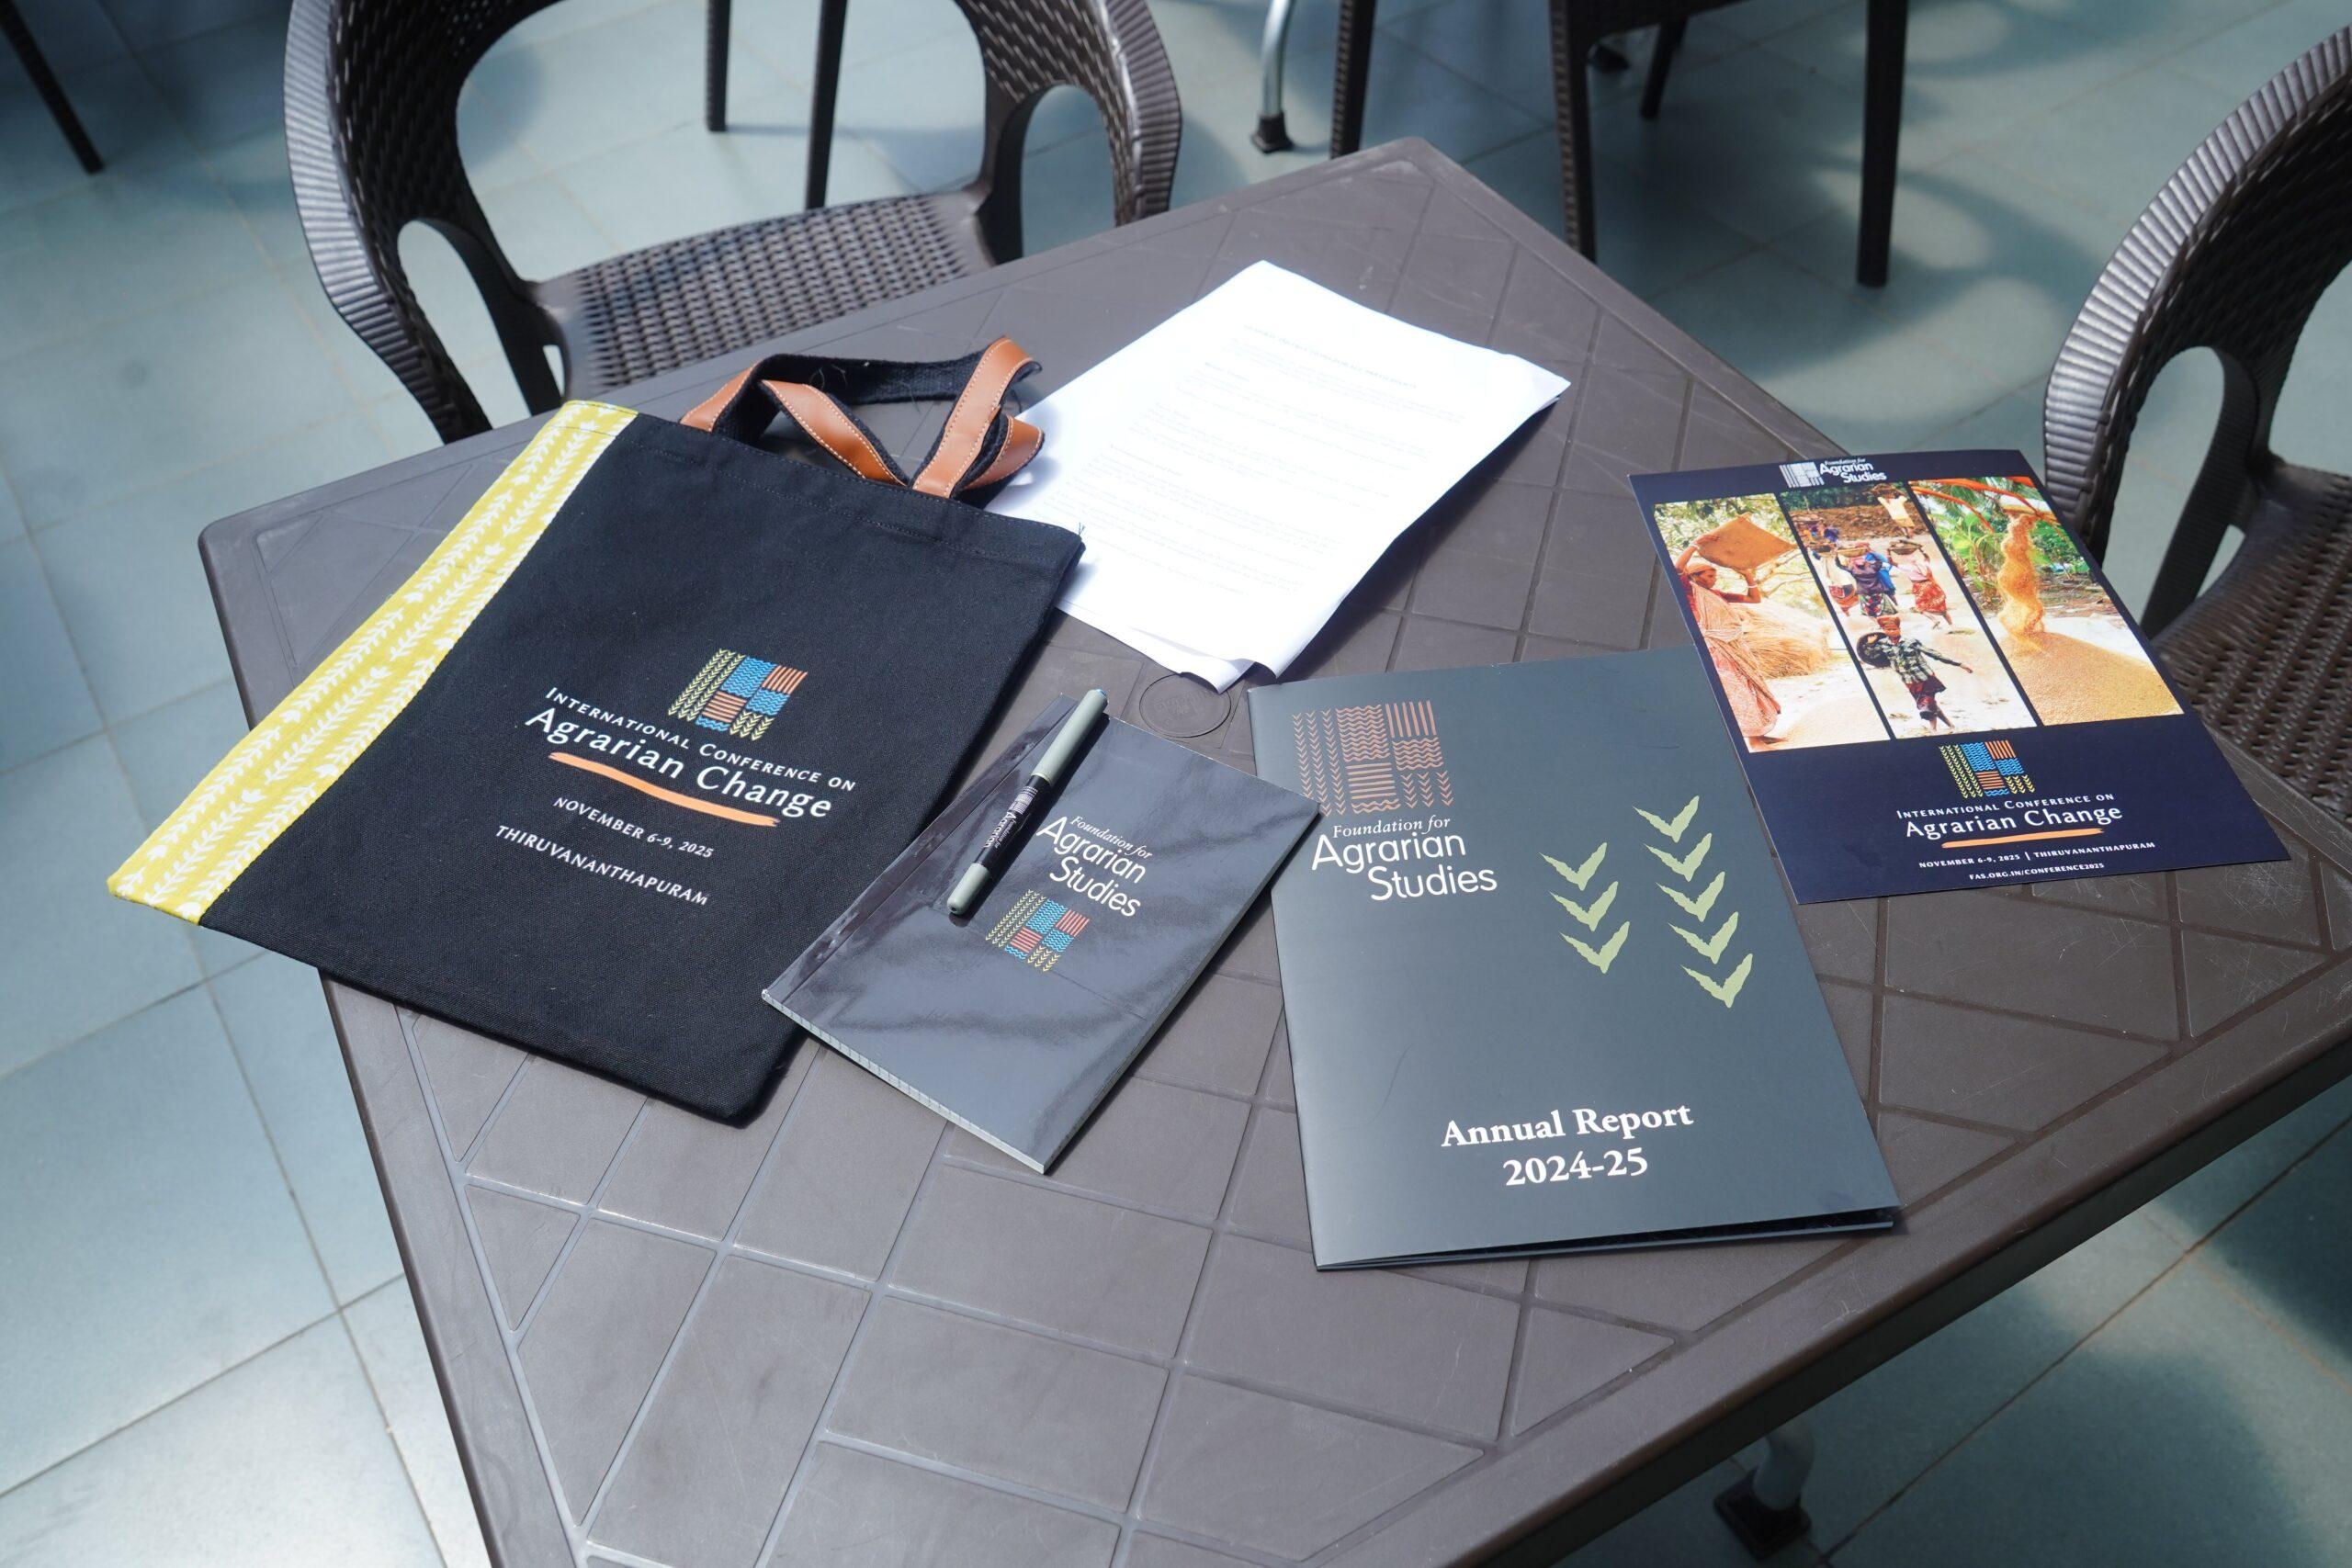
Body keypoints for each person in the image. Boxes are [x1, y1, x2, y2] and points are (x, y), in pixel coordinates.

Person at [1676, 543, 1795, 744]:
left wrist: (1747, 575)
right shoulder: (1689, 592)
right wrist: (1697, 543)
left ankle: (1761, 734)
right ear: (1694, 576)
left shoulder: (1717, 595)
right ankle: (1754, 741)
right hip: (1716, 648)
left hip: (1735, 646)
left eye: (1715, 576)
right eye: (1709, 576)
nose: (1714, 580)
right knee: (1737, 688)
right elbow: (1678, 568)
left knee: (1750, 683)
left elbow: (1754, 599)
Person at [1857, 630, 1971, 731]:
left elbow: (1933, 654)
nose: (1892, 631)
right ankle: (1951, 725)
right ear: (1884, 631)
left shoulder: (1911, 642)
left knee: (1926, 705)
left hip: (1925, 677)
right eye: (1888, 629)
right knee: (1929, 704)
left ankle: (1933, 730)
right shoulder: (1882, 645)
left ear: (1899, 629)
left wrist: (1959, 664)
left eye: (1894, 628)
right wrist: (1870, 643)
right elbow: (1871, 657)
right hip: (1908, 680)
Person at [1889, 541, 1952, 626]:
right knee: (1942, 608)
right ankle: (1952, 625)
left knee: (1920, 608)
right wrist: (1921, 550)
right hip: (1932, 586)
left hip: (1921, 588)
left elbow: (1891, 562)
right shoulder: (1924, 564)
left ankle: (1935, 620)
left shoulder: (1907, 567)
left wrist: (1888, 552)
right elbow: (1927, 558)